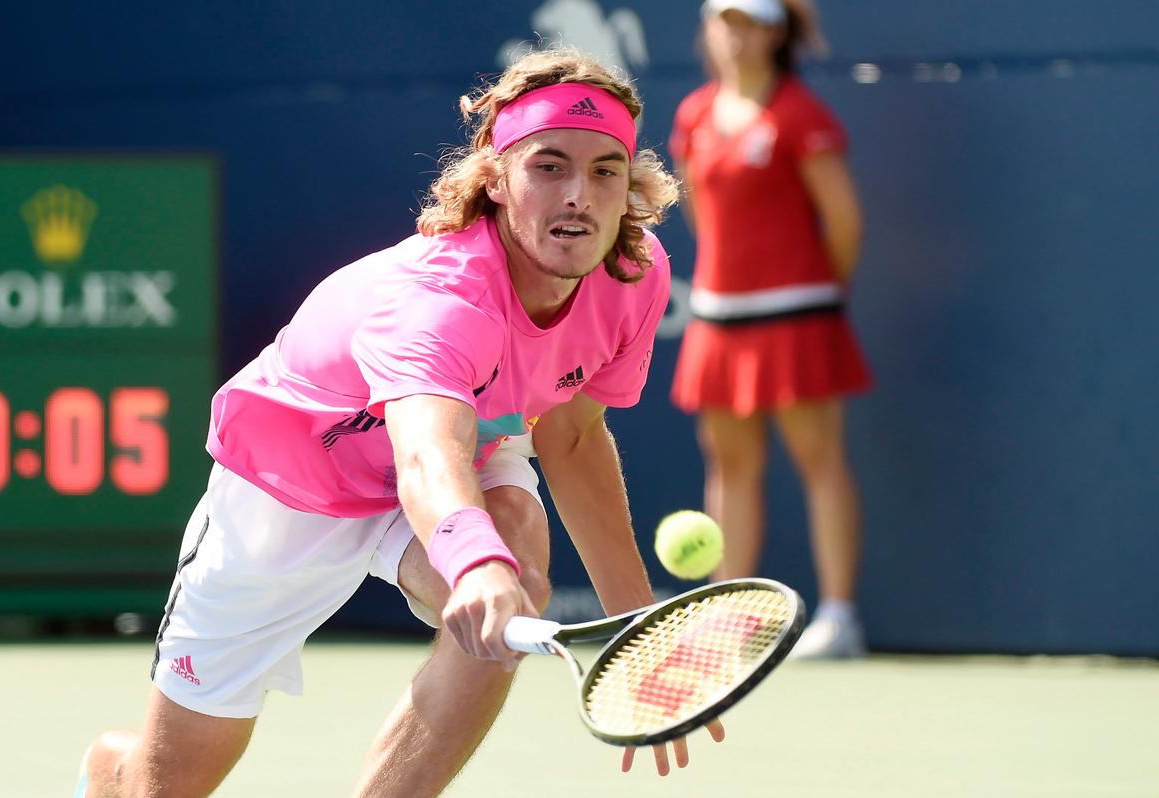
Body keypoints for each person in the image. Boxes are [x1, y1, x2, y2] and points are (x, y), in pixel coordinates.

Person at [75, 49, 729, 798]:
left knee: (512, 578)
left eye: (605, 169)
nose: (579, 195)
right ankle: (111, 771)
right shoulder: (440, 303)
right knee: (161, 787)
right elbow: (427, 455)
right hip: (294, 482)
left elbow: (571, 435)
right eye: (549, 166)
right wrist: (475, 562)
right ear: (495, 176)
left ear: (628, 184)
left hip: (468, 441)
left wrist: (632, 625)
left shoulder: (631, 275)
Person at [668, 0, 872, 659]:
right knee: (729, 465)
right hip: (720, 316)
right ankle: (728, 614)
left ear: (775, 34)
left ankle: (839, 616)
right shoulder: (694, 115)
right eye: (724, 20)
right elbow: (703, 217)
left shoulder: (800, 115)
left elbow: (844, 224)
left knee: (819, 459)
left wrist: (813, 297)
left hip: (798, 315)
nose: (734, 35)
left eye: (749, 22)